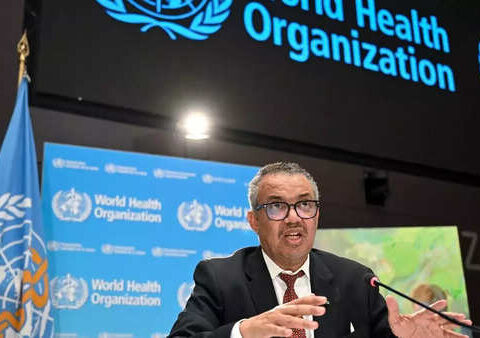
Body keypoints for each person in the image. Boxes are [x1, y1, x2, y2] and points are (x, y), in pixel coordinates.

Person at [168, 162, 471, 338]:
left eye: (304, 205)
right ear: (254, 221)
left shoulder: (355, 280)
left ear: (317, 215)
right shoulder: (221, 278)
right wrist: (243, 332)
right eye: (276, 206)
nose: (293, 217)